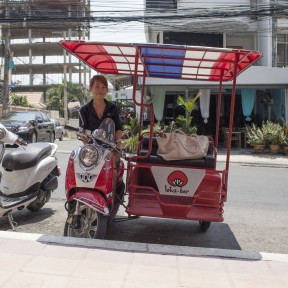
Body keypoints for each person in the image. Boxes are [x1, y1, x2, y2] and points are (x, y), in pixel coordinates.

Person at [79, 75, 123, 204]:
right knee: (80, 164)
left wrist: (118, 145)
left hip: (110, 147)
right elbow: (82, 131)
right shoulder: (84, 110)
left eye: (103, 87)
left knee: (112, 165)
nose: (100, 90)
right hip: (92, 148)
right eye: (97, 86)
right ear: (90, 89)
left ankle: (111, 199)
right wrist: (85, 141)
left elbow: (118, 129)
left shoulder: (112, 108)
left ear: (107, 90)